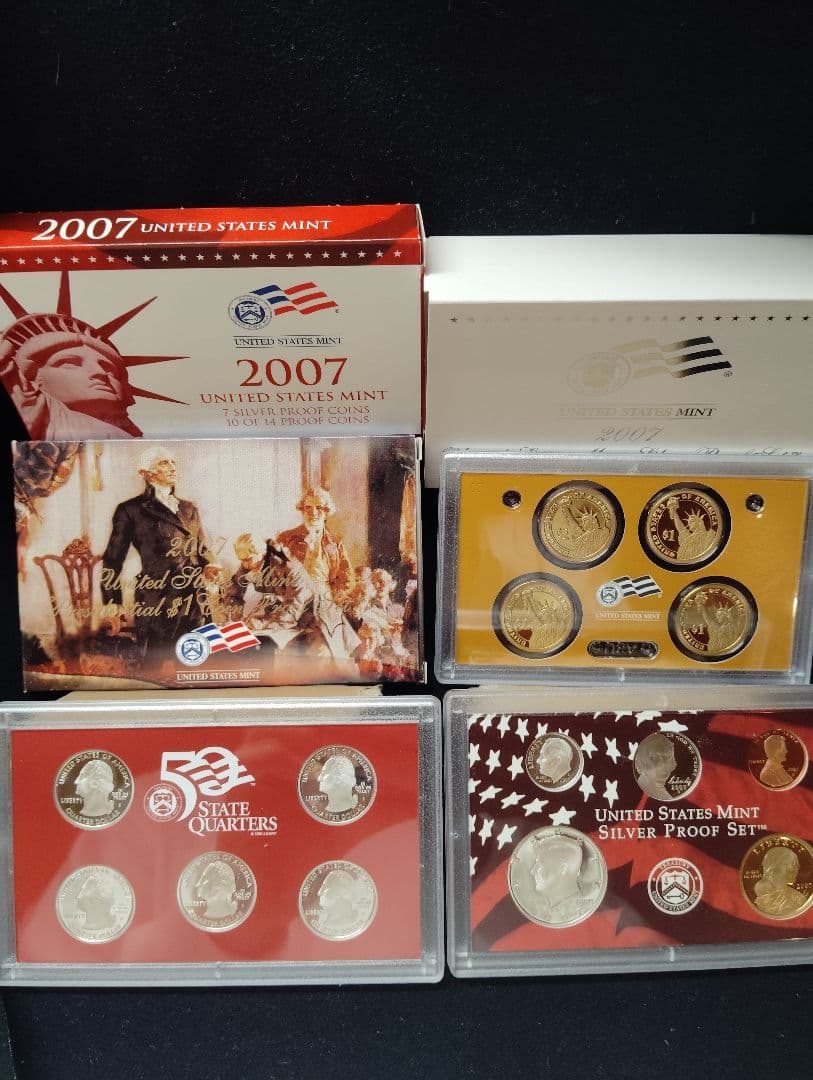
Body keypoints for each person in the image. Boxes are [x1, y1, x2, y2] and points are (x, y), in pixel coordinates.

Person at [100, 447, 210, 656]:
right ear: (147, 473)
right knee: (155, 663)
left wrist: (212, 565)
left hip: (194, 598)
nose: (173, 467)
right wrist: (113, 602)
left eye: (173, 462)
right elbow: (112, 559)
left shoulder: (189, 508)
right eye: (164, 463)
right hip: (157, 600)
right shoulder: (130, 510)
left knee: (192, 660)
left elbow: (201, 549)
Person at [276, 487, 353, 605]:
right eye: (308, 507)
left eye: (319, 508)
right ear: (302, 510)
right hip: (293, 601)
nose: (313, 512)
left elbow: (347, 579)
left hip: (325, 602)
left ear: (326, 512)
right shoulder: (285, 538)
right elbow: (273, 575)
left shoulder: (336, 543)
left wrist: (332, 599)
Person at [753, 847, 803, 917]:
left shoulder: (797, 898)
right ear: (775, 867)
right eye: (792, 864)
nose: (796, 868)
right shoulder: (762, 897)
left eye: (795, 865)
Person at [665, 497, 715, 561]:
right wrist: (674, 513)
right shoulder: (689, 538)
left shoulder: (708, 535)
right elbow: (681, 529)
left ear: (699, 522)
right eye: (689, 523)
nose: (689, 525)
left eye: (692, 522)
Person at [635, 733, 677, 800]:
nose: (673, 766)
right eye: (656, 759)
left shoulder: (662, 794)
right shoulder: (643, 790)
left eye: (669, 759)